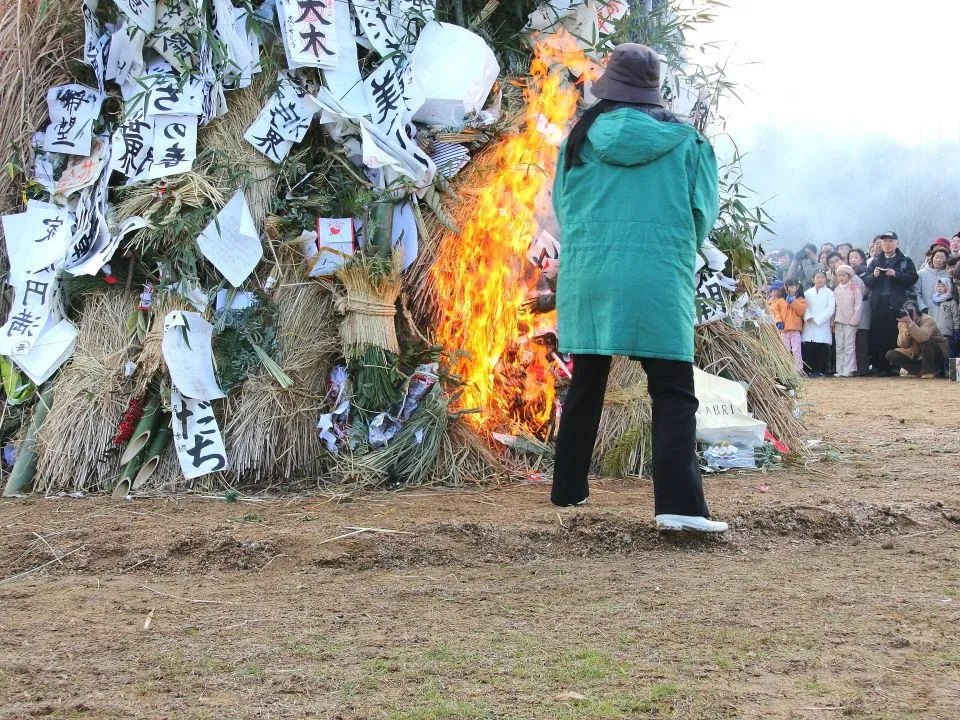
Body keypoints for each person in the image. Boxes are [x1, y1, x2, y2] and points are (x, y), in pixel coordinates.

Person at [551, 43, 727, 533]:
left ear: (610, 87)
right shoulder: (688, 144)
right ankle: (679, 507)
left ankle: (567, 490)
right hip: (656, 276)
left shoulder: (579, 139)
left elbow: (564, 211)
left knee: (586, 383)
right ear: (654, 92)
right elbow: (700, 217)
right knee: (672, 391)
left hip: (591, 274)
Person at [863, 231, 919, 376]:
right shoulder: (875, 261)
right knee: (877, 335)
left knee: (894, 334)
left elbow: (913, 278)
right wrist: (874, 275)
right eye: (884, 241)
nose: (887, 244)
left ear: (897, 243)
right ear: (880, 244)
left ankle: (894, 366)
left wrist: (896, 274)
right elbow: (867, 281)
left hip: (896, 302)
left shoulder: (905, 260)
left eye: (890, 241)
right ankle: (878, 365)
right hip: (878, 303)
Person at [885, 301, 949, 379]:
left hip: (936, 352)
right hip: (917, 352)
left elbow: (923, 338)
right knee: (891, 354)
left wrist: (911, 322)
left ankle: (929, 371)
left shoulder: (927, 319)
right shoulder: (903, 323)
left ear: (917, 310)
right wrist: (904, 328)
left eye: (911, 311)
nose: (909, 314)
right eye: (906, 311)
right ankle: (917, 370)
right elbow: (903, 345)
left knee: (924, 342)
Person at [801, 270, 835, 377]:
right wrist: (808, 317)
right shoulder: (807, 293)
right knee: (809, 347)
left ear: (826, 279)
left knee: (822, 347)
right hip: (809, 324)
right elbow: (803, 307)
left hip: (822, 324)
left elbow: (831, 309)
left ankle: (821, 370)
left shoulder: (830, 293)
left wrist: (819, 319)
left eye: (822, 277)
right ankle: (809, 370)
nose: (820, 279)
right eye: (817, 277)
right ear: (813, 279)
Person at [832, 264, 862, 377]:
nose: (841, 278)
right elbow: (834, 306)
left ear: (848, 276)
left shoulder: (854, 287)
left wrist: (854, 319)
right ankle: (840, 369)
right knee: (839, 346)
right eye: (839, 275)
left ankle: (849, 369)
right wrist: (833, 321)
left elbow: (858, 304)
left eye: (843, 275)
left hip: (850, 321)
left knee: (849, 345)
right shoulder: (836, 290)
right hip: (838, 320)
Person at [772, 278, 807, 372]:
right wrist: (778, 321)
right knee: (784, 349)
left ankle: (798, 369)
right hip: (784, 329)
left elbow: (801, 311)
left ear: (797, 287)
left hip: (795, 329)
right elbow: (776, 312)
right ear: (785, 287)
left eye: (793, 287)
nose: (790, 289)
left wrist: (793, 301)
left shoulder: (801, 300)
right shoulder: (780, 300)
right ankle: (785, 369)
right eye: (789, 287)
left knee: (796, 350)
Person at [848, 248, 872, 374]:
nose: (853, 260)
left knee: (862, 339)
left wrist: (852, 275)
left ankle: (863, 368)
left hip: (863, 307)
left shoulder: (866, 272)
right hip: (850, 309)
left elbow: (864, 290)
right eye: (850, 257)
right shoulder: (846, 273)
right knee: (852, 340)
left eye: (856, 257)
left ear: (862, 259)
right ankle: (853, 367)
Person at [931, 277, 959, 359]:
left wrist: (956, 330)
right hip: (935, 332)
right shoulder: (933, 301)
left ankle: (950, 371)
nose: (940, 288)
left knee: (949, 353)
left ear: (948, 287)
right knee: (938, 354)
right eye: (938, 286)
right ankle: (940, 371)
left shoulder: (951, 302)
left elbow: (956, 316)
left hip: (948, 333)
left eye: (943, 286)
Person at [915, 247, 951, 313]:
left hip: (946, 314)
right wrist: (923, 308)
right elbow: (916, 292)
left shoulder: (949, 275)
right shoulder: (921, 274)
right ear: (932, 258)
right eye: (936, 257)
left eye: (942, 258)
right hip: (926, 313)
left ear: (946, 260)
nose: (938, 260)